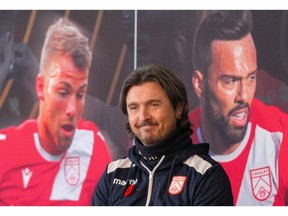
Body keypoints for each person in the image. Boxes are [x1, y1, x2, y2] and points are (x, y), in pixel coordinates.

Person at [0, 18, 111, 205]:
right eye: (63, 92)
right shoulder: (5, 151)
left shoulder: (93, 147)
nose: (72, 110)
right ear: (41, 87)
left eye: (80, 94)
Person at [92, 64, 233, 206]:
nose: (143, 116)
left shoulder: (206, 175)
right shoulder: (113, 174)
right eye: (134, 108)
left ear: (178, 108)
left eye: (153, 105)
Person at [189, 10, 288, 205]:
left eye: (251, 77)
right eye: (231, 81)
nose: (244, 96)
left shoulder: (281, 137)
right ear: (199, 85)